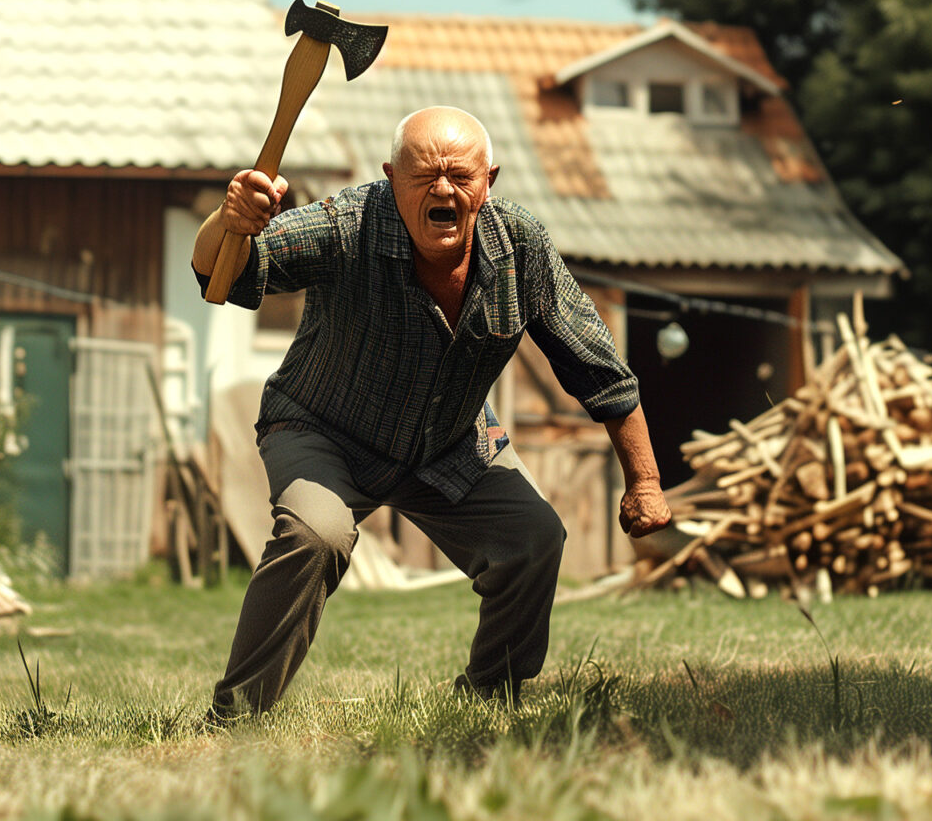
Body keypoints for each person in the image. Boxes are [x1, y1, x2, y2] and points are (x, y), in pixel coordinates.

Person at [191, 105, 671, 716]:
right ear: (392, 179)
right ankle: (237, 713)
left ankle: (487, 702)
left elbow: (596, 365)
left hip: (449, 442)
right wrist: (229, 220)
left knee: (533, 538)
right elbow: (223, 274)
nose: (443, 188)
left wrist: (645, 481)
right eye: (423, 175)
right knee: (318, 535)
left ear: (488, 181)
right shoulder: (350, 223)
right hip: (323, 429)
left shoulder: (521, 248)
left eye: (460, 176)